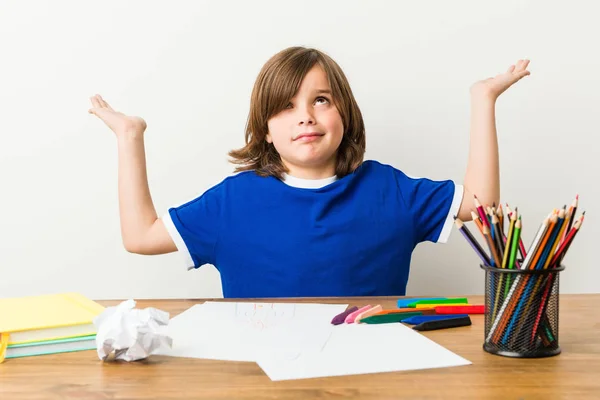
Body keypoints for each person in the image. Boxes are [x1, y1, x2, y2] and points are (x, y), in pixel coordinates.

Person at [89, 46, 530, 298]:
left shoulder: (389, 189)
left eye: (320, 100)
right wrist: (130, 137)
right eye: (286, 106)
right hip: (262, 375)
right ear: (264, 129)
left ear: (345, 113)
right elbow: (140, 237)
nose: (305, 116)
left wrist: (482, 99)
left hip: (372, 372)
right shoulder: (233, 201)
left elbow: (482, 205)